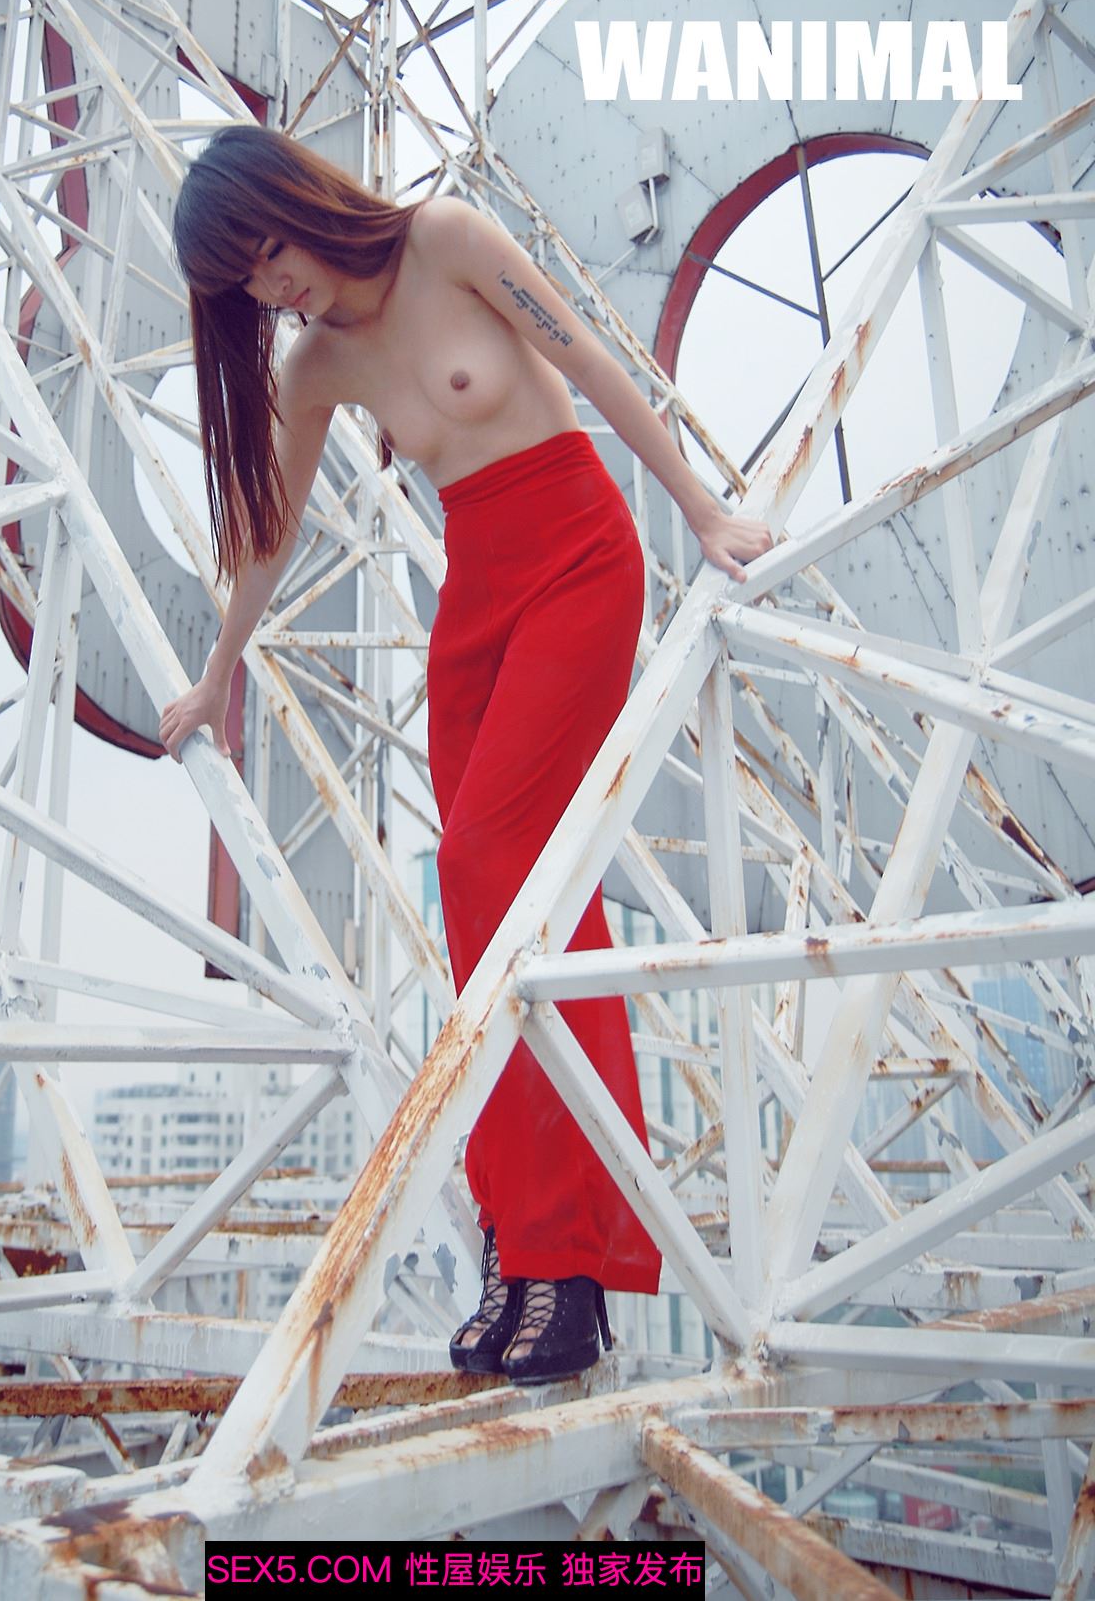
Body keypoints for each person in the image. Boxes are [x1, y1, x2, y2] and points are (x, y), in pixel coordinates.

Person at [160, 123, 772, 1385]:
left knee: (494, 860)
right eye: (246, 281)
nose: (272, 286)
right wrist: (219, 671)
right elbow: (270, 532)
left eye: (267, 250)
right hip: (476, 599)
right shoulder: (317, 364)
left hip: (578, 559)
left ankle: (569, 1263)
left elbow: (588, 359)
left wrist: (700, 507)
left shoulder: (443, 239)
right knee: (490, 912)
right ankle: (523, 1245)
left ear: (299, 202)